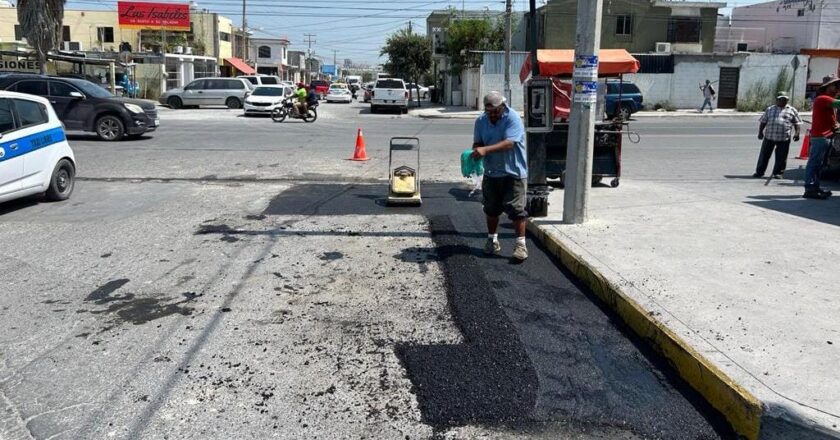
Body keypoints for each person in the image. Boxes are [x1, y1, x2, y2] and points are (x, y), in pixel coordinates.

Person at [471, 91, 529, 262]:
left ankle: (520, 246)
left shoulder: (513, 118)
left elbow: (510, 143)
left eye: (495, 111)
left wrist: (485, 150)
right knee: (491, 209)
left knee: (517, 211)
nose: (492, 115)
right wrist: (476, 151)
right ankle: (492, 241)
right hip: (491, 172)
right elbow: (478, 142)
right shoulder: (481, 121)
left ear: (503, 106)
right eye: (489, 112)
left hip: (513, 173)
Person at [803, 77, 840, 199]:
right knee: (814, 163)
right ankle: (810, 188)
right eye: (834, 85)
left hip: (825, 136)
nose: (836, 88)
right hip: (820, 137)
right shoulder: (823, 98)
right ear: (827, 87)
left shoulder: (828, 99)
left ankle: (815, 187)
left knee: (819, 164)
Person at [754, 92, 801, 179]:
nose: (783, 101)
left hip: (784, 138)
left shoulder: (792, 110)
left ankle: (778, 173)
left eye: (785, 99)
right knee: (764, 155)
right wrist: (760, 132)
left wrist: (797, 133)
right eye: (781, 99)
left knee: (782, 157)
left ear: (787, 100)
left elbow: (797, 123)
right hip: (769, 137)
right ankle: (759, 172)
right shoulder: (770, 109)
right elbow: (763, 121)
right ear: (777, 100)